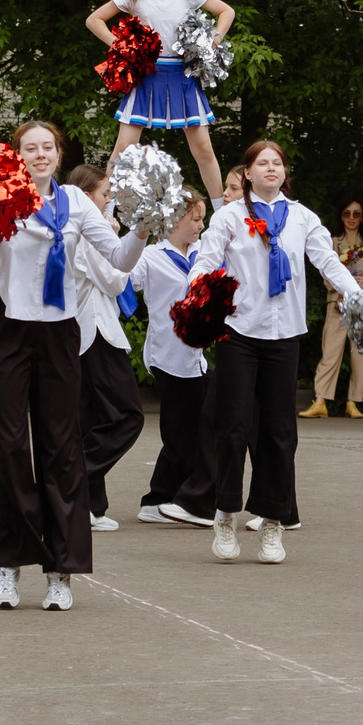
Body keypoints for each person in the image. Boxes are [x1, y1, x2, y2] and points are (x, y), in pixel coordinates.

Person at [0, 121, 149, 610]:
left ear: (58, 155)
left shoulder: (77, 203)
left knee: (62, 451)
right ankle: (8, 566)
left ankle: (61, 570)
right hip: (8, 332)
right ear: (17, 155)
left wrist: (143, 226)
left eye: (47, 147)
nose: (39, 155)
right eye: (29, 148)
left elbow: (119, 259)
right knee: (10, 450)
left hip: (59, 334)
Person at [186, 139, 361, 566]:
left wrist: (358, 296)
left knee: (280, 432)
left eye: (277, 163)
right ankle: (225, 514)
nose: (270, 168)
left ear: (284, 172)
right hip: (238, 331)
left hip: (284, 335)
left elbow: (329, 262)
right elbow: (206, 262)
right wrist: (196, 295)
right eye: (261, 163)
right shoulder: (230, 215)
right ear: (246, 173)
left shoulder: (302, 217)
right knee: (232, 426)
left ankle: (272, 522)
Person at [84, 0, 237, 203]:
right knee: (123, 146)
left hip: (183, 75)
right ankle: (103, 210)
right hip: (147, 75)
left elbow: (227, 11)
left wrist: (213, 41)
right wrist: (119, 45)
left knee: (203, 147)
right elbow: (94, 20)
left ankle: (220, 212)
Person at [63, 164, 147, 532]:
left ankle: (90, 505)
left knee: (89, 419)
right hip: (93, 331)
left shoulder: (83, 231)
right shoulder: (85, 235)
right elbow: (115, 281)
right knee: (126, 416)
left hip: (89, 331)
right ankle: (71, 480)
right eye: (104, 195)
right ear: (85, 196)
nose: (109, 201)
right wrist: (117, 236)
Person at [135, 193, 212, 525]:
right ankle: (158, 499)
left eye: (202, 219)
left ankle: (179, 496)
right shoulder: (151, 256)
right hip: (167, 353)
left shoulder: (203, 252)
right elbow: (123, 279)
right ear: (176, 219)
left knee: (196, 428)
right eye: (196, 219)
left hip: (197, 356)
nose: (201, 225)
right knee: (179, 429)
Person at [305, 197, 363, 418]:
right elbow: (326, 270)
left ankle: (353, 402)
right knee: (330, 351)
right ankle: (320, 401)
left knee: (361, 352)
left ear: (362, 217)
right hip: (337, 303)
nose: (351, 218)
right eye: (347, 213)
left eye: (356, 214)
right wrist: (339, 291)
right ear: (341, 215)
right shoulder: (332, 241)